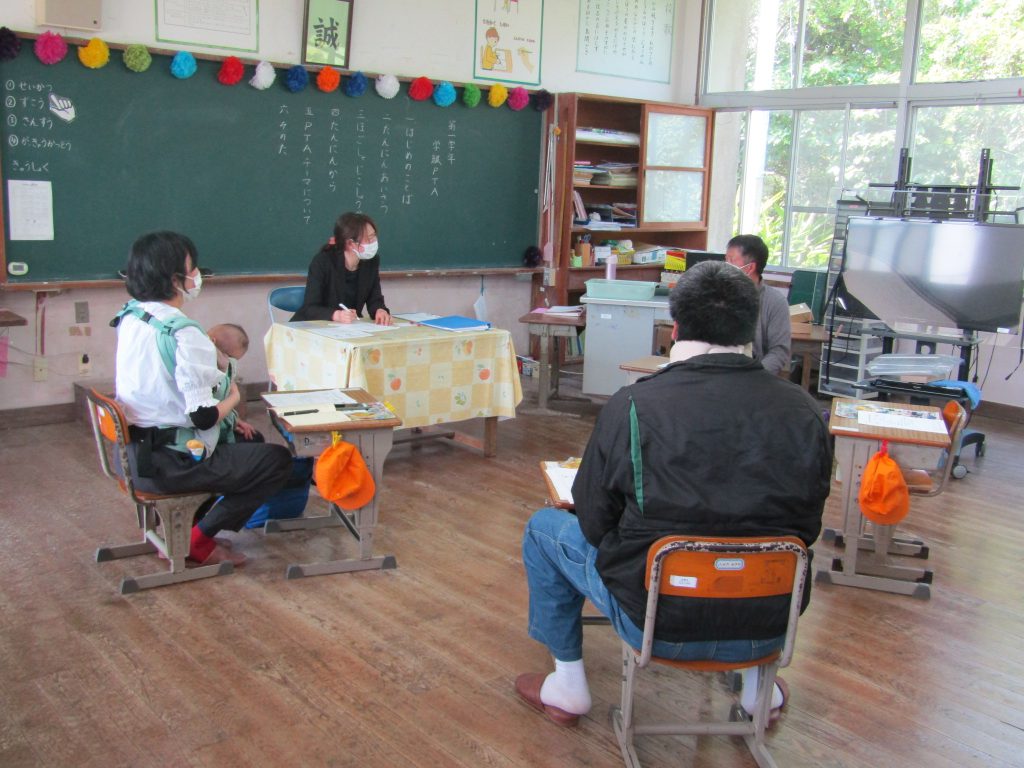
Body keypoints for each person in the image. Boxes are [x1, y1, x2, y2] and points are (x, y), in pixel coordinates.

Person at [515, 260, 832, 727]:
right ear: (750, 329)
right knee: (761, 545)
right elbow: (806, 526)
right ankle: (757, 688)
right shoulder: (805, 411)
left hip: (658, 619)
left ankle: (567, 685)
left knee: (544, 528)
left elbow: (595, 522)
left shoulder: (633, 405)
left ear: (676, 327)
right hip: (768, 622)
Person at [113, 231, 292, 566]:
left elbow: (165, 392)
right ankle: (197, 539)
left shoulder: (132, 315)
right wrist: (234, 397)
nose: (198, 276)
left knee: (247, 443)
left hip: (131, 456)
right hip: (169, 464)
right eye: (193, 268)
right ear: (174, 279)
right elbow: (203, 417)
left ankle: (185, 528)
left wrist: (229, 419)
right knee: (276, 461)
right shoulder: (185, 333)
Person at [291, 212, 392, 325]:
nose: (374, 241)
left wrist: (380, 310)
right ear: (351, 243)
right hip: (311, 326)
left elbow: (375, 299)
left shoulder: (371, 261)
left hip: (347, 327)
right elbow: (310, 308)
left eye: (374, 235)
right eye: (369, 238)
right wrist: (336, 315)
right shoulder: (323, 261)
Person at [725, 234, 791, 376]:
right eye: (725, 260)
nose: (725, 266)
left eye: (731, 261)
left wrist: (755, 377)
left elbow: (779, 351)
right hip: (718, 372)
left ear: (750, 268)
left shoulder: (775, 302)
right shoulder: (716, 295)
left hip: (755, 373)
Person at [207, 322, 260, 443]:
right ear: (212, 342)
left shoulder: (221, 370)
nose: (231, 365)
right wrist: (235, 396)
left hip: (218, 424)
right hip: (203, 438)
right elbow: (208, 416)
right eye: (229, 357)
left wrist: (234, 420)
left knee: (254, 436)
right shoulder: (200, 370)